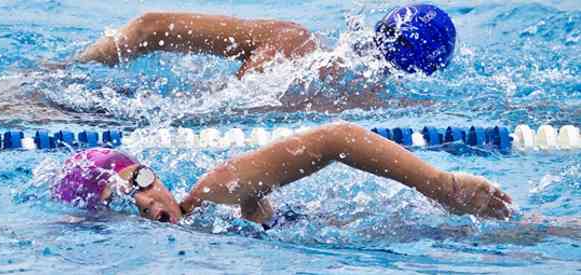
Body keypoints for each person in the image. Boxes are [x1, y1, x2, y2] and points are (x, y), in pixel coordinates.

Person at [52, 122, 512, 228]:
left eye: (144, 180)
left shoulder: (214, 191)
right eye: (129, 197)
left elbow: (338, 138)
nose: (150, 201)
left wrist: (441, 186)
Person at [76, 4, 456, 112]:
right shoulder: (396, 107)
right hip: (168, 127)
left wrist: (62, 71)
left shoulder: (292, 41)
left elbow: (148, 27)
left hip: (118, 106)